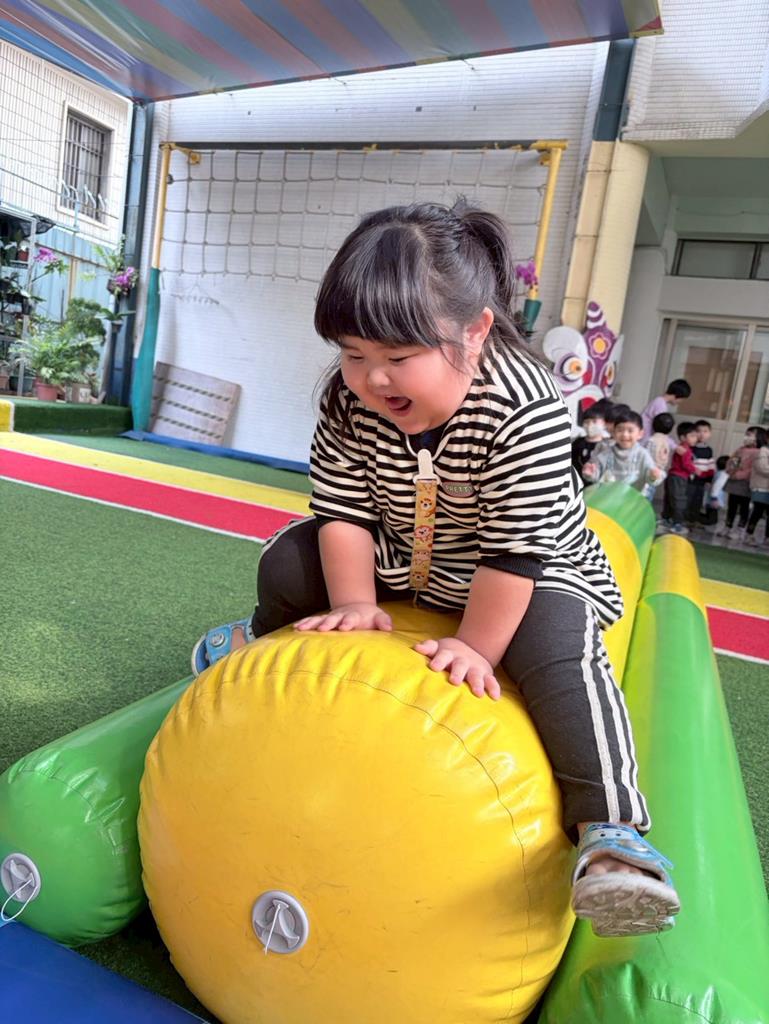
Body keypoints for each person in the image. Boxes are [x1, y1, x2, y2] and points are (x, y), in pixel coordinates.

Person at [192, 200, 679, 937]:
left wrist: (477, 646)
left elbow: (515, 551)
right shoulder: (347, 400)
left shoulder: (525, 408)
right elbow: (345, 512)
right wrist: (355, 602)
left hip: (526, 569)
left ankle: (611, 833)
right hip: (403, 556)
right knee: (292, 556)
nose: (372, 379)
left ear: (474, 331)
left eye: (397, 357)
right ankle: (259, 636)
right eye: (353, 353)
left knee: (560, 644)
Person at [582, 410, 664, 497]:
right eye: (620, 430)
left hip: (632, 500)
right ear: (614, 433)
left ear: (640, 434)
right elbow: (596, 474)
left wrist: (653, 476)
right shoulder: (607, 453)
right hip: (608, 498)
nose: (625, 434)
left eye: (630, 431)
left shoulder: (642, 454)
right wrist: (590, 473)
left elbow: (650, 477)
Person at [718, 427, 763, 540]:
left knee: (744, 507)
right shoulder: (740, 450)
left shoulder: (759, 453)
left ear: (758, 438)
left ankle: (740, 529)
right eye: (746, 434)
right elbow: (732, 462)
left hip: (746, 484)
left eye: (750, 435)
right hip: (734, 483)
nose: (746, 437)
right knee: (732, 506)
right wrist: (730, 471)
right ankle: (728, 526)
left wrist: (739, 475)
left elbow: (753, 469)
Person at [661, 422, 698, 535]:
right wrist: (695, 470)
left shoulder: (680, 448)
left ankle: (666, 520)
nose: (695, 438)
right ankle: (677, 524)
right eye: (692, 436)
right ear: (682, 438)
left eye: (696, 436)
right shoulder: (685, 450)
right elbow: (686, 464)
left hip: (672, 476)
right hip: (679, 478)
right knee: (679, 499)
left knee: (670, 498)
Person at [686, 420, 716, 528]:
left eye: (705, 431)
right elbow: (687, 463)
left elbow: (710, 465)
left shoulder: (709, 450)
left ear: (710, 433)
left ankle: (694, 520)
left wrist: (709, 480)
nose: (702, 434)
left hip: (702, 481)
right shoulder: (690, 448)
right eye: (699, 431)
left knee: (698, 501)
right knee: (688, 499)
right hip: (691, 480)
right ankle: (685, 519)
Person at [745, 429, 769, 545]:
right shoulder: (763, 451)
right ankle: (749, 535)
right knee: (757, 512)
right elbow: (763, 468)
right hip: (761, 488)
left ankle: (767, 537)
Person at [571, 407, 606, 476]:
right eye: (586, 422)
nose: (590, 425)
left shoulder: (608, 444)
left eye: (594, 421)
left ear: (604, 423)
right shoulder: (578, 442)